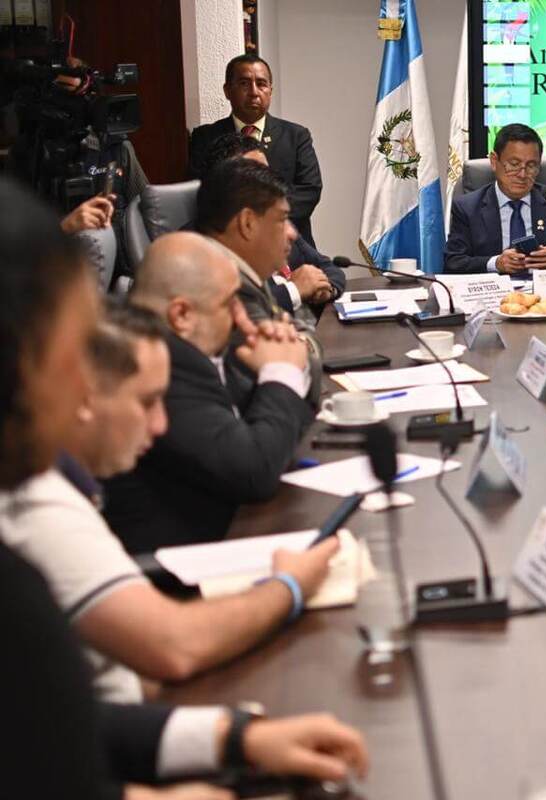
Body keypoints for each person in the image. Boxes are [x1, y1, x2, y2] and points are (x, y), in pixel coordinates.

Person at [0, 176, 367, 798]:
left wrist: (231, 737)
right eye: (70, 353)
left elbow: (57, 727)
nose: (84, 383)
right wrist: (287, 587)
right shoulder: (28, 506)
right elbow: (164, 653)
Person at [2, 300, 340, 701]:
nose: (161, 424)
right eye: (146, 402)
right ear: (82, 395)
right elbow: (174, 646)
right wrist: (289, 585)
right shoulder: (36, 504)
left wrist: (230, 738)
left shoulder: (68, 484)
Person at [102, 232, 315, 552]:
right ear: (182, 315)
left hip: (230, 531)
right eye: (230, 303)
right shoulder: (156, 372)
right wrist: (281, 373)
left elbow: (260, 430)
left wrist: (280, 360)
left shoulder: (201, 347)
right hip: (184, 571)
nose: (241, 317)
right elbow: (254, 471)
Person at [194, 157, 323, 400]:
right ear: (247, 223)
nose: (293, 233)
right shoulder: (226, 285)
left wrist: (299, 340)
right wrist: (303, 345)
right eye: (283, 219)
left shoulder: (249, 270)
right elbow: (304, 367)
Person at [200, 133, 344, 319]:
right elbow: (233, 312)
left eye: (267, 171)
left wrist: (324, 288)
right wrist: (294, 290)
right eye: (256, 175)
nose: (290, 233)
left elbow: (328, 267)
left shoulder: (274, 222)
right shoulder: (198, 247)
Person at [188, 55, 323, 247]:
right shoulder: (205, 137)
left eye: (261, 84)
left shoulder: (295, 136)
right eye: (244, 83)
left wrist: (262, 219)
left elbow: (309, 191)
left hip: (290, 244)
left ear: (270, 90)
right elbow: (201, 191)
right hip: (228, 244)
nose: (254, 92)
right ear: (227, 90)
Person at [444, 123, 546, 274]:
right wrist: (495, 263)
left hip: (545, 293)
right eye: (514, 165)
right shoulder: (467, 208)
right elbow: (453, 262)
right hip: (493, 294)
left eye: (531, 165)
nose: (522, 175)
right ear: (494, 161)